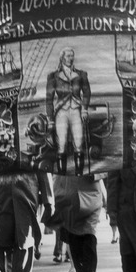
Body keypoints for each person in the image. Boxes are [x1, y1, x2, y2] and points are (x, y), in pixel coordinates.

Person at [0, 172, 53, 272]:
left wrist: (49, 201)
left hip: (26, 192)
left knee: (25, 238)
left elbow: (43, 166)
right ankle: (9, 271)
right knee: (2, 238)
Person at [46, 174, 103, 272]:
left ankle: (90, 270)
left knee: (89, 234)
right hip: (70, 197)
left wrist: (95, 173)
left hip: (91, 197)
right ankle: (80, 270)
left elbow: (103, 167)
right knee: (74, 238)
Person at [46, 47, 91, 176]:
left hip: (76, 110)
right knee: (62, 143)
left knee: (79, 143)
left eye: (72, 56)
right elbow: (49, 100)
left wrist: (85, 109)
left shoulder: (81, 74)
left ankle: (79, 174)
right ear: (62, 58)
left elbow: (87, 93)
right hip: (61, 112)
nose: (70, 58)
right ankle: (62, 175)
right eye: (68, 56)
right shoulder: (53, 76)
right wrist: (50, 119)